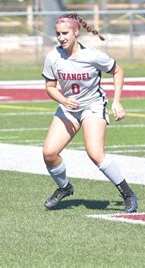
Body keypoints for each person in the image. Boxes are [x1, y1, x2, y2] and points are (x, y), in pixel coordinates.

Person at [41, 13, 138, 213]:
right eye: (58, 34)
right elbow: (50, 87)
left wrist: (117, 101)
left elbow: (118, 71)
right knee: (49, 154)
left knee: (95, 153)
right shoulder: (53, 56)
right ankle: (64, 187)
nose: (61, 37)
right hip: (68, 107)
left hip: (93, 106)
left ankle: (127, 193)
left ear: (76, 32)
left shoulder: (92, 55)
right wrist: (62, 99)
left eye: (65, 33)